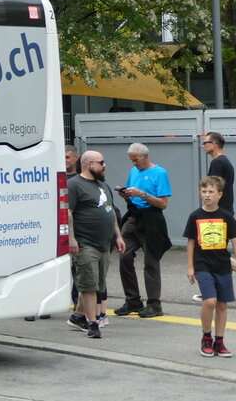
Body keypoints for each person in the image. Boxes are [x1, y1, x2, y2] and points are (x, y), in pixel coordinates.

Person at [66, 151, 125, 339]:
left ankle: (77, 317)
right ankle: (92, 323)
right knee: (89, 285)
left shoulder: (103, 186)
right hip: (85, 244)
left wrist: (118, 236)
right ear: (88, 164)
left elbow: (110, 212)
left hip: (104, 244)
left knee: (96, 284)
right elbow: (68, 213)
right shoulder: (74, 185)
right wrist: (71, 238)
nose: (105, 165)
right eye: (101, 162)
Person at [114, 142, 173, 318]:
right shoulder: (134, 172)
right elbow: (133, 196)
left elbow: (163, 204)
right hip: (133, 216)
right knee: (124, 256)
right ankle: (132, 300)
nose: (133, 163)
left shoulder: (160, 173)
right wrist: (126, 195)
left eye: (136, 160)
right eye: (131, 160)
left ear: (145, 156)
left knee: (151, 262)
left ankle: (155, 305)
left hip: (151, 218)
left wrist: (142, 194)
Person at [184, 176, 236, 357]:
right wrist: (191, 267)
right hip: (203, 265)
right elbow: (191, 243)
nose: (207, 195)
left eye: (211, 191)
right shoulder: (195, 216)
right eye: (204, 191)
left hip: (222, 265)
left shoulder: (227, 216)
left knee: (222, 304)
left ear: (220, 194)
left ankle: (219, 341)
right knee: (210, 301)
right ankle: (207, 337)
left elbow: (234, 240)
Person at [204, 133, 235, 215]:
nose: (203, 146)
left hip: (219, 212)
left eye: (205, 143)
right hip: (226, 211)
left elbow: (213, 188)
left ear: (214, 144)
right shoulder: (224, 161)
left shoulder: (217, 162)